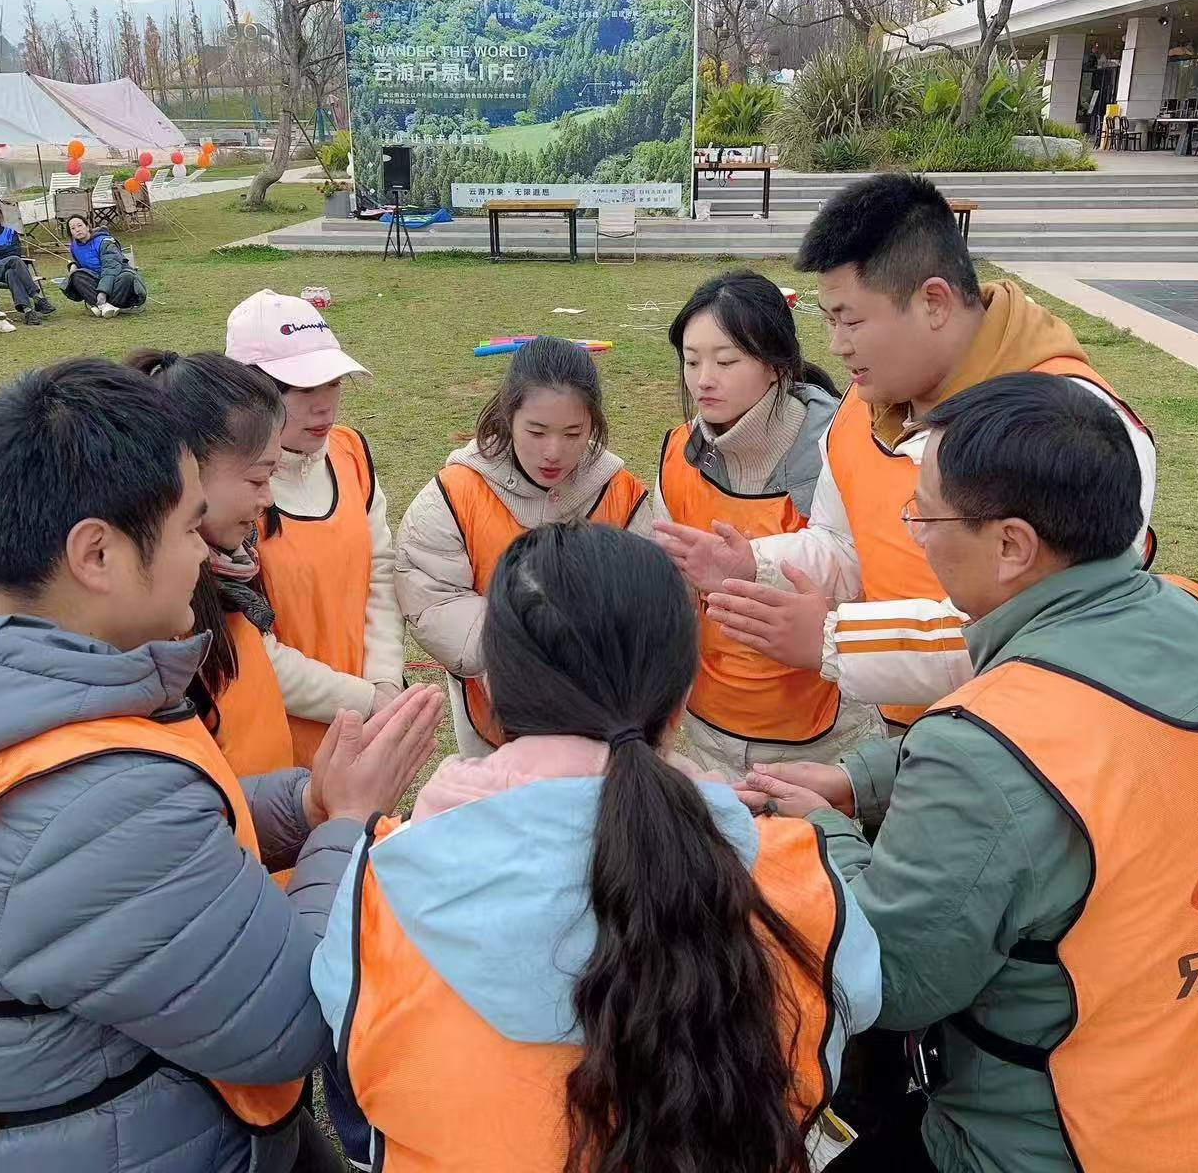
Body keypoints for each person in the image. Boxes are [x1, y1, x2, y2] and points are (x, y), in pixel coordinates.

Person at [0, 357, 445, 1173]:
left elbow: (157, 853)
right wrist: (346, 827)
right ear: (96, 554)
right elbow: (288, 1022)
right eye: (187, 529)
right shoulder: (79, 803)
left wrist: (307, 805)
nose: (202, 555)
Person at [740, 373, 1198, 1173]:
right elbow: (1098, 756)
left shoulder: (984, 741)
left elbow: (895, 976)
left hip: (1071, 1143)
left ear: (1011, 545)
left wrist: (824, 833)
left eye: (923, 516)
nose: (914, 536)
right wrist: (862, 780)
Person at [311, 521, 884, 1173]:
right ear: (683, 692)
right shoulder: (798, 871)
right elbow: (860, 1000)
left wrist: (343, 826)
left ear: (491, 689)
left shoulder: (379, 884)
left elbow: (349, 1072)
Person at [654, 174, 1156, 737]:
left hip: (1017, 740)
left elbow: (1043, 627)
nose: (837, 345)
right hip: (900, 735)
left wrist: (835, 641)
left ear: (933, 302)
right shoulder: (864, 402)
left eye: (852, 320)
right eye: (829, 319)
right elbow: (843, 543)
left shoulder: (1078, 426)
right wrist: (754, 563)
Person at [653, 269, 875, 778]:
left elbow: (867, 574)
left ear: (776, 364)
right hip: (709, 726)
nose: (704, 379)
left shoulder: (842, 449)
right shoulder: (678, 454)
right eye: (691, 360)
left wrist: (755, 567)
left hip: (822, 736)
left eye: (726, 361)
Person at [395, 336, 651, 757]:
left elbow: (647, 599)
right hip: (493, 721)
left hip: (599, 723)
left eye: (573, 433)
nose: (553, 452)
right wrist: (521, 649)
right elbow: (433, 598)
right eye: (536, 431)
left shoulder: (620, 494)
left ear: (593, 425)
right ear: (508, 416)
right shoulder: (454, 493)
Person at [225, 290, 405, 768]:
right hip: (274, 756)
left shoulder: (351, 454)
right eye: (304, 389)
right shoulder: (226, 494)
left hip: (364, 736)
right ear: (248, 391)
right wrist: (366, 701)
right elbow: (249, 647)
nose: (325, 407)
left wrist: (385, 682)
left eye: (334, 383)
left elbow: (379, 574)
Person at [122, 348, 293, 781]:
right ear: (188, 472)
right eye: (257, 478)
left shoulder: (234, 566)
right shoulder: (159, 619)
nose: (268, 498)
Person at [0, 198, 53, 321]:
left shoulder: (10, 232)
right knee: (14, 260)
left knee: (12, 273)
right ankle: (36, 297)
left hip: (11, 269)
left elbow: (16, 251)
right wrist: (5, 249)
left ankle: (28, 311)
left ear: (0, 213)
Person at [63, 214, 147, 316]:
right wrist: (73, 265)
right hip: (96, 279)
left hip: (116, 277)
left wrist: (103, 292)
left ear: (87, 227)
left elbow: (111, 268)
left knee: (128, 277)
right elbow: (81, 263)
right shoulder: (74, 247)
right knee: (76, 276)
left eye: (80, 225)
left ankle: (103, 305)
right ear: (71, 233)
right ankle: (107, 307)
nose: (77, 230)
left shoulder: (105, 242)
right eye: (73, 228)